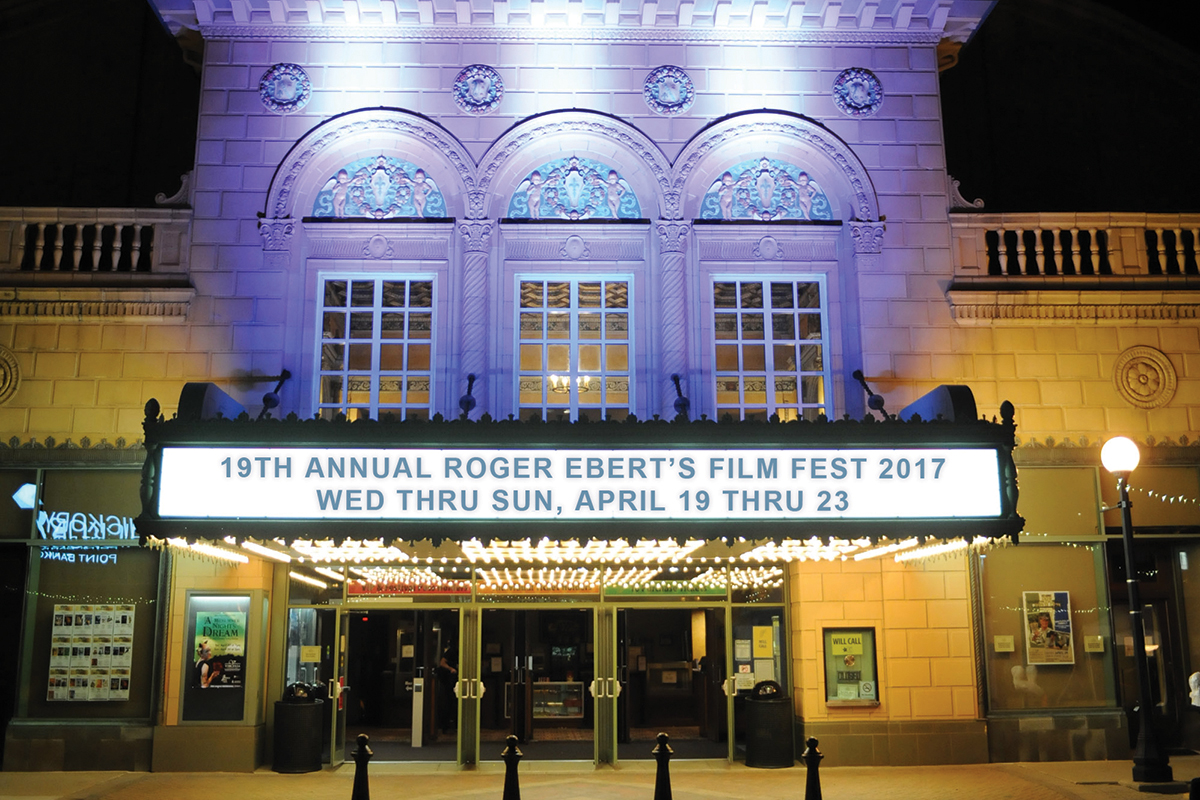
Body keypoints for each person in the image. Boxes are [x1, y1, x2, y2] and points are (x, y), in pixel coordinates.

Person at [437, 643, 458, 733]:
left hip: (453, 681)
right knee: (448, 702)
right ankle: (446, 726)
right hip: (449, 681)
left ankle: (453, 725)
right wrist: (451, 669)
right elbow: (442, 663)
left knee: (453, 703)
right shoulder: (452, 651)